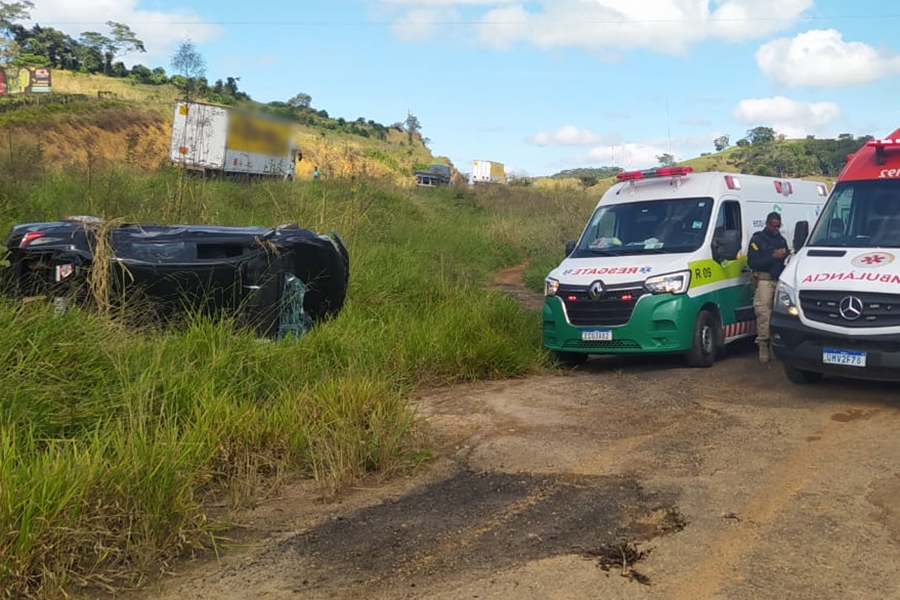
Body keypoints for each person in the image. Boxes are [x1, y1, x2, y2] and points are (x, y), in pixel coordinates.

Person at [748, 212, 789, 363]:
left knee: (779, 314)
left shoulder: (781, 240)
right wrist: (773, 257)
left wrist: (783, 256)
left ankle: (775, 346)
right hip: (764, 280)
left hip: (779, 280)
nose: (777, 229)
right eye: (774, 226)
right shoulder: (757, 240)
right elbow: (753, 263)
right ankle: (763, 346)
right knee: (763, 313)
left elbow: (787, 259)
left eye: (779, 226)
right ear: (767, 224)